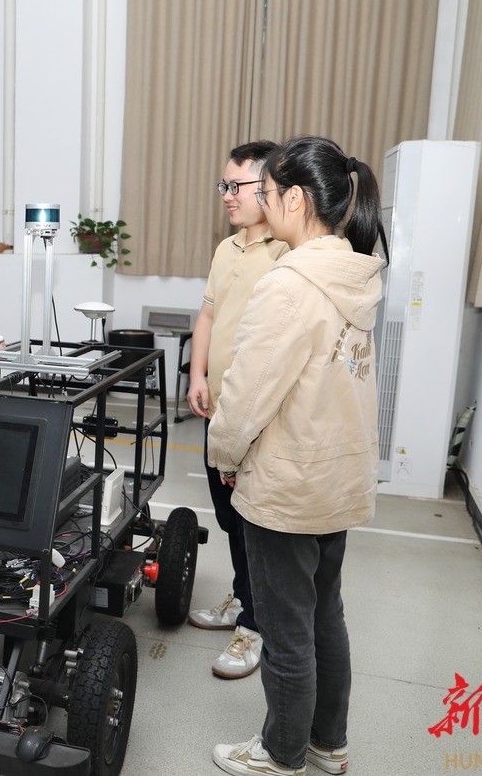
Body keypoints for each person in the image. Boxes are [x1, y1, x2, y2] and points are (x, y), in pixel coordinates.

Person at [208, 135, 387, 776]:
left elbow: (248, 396)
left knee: (286, 631)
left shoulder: (289, 285)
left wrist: (225, 455)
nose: (257, 200)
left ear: (295, 199)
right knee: (324, 616)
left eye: (266, 190)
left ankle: (281, 753)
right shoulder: (353, 273)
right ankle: (327, 743)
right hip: (337, 478)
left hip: (287, 485)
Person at [186, 141, 289, 679]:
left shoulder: (287, 252)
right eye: (223, 185)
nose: (227, 195)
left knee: (255, 523)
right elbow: (208, 317)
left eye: (237, 186)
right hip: (219, 414)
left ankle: (255, 623)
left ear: (270, 188)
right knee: (229, 518)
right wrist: (197, 375)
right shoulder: (226, 249)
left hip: (258, 418)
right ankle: (243, 598)